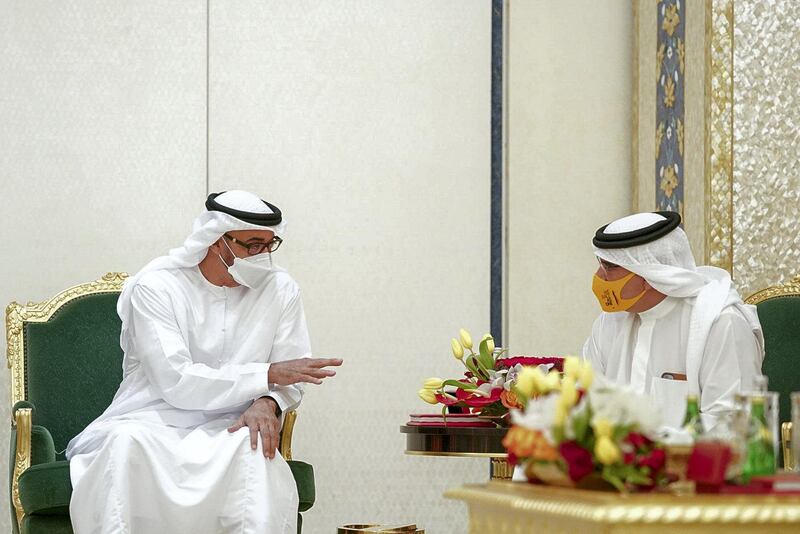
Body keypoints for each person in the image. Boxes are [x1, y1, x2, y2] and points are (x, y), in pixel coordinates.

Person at [66, 190, 342, 533]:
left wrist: (267, 402)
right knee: (125, 444)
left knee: (253, 449)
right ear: (216, 240)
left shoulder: (281, 289)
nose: (262, 256)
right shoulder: (158, 287)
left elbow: (292, 375)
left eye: (269, 245)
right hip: (153, 421)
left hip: (232, 424)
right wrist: (267, 375)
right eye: (252, 245)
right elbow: (177, 381)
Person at [582, 211, 763, 430]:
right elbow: (586, 405)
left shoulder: (721, 323)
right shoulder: (609, 322)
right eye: (600, 263)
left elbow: (734, 423)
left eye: (609, 267)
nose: (599, 277)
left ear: (650, 274)